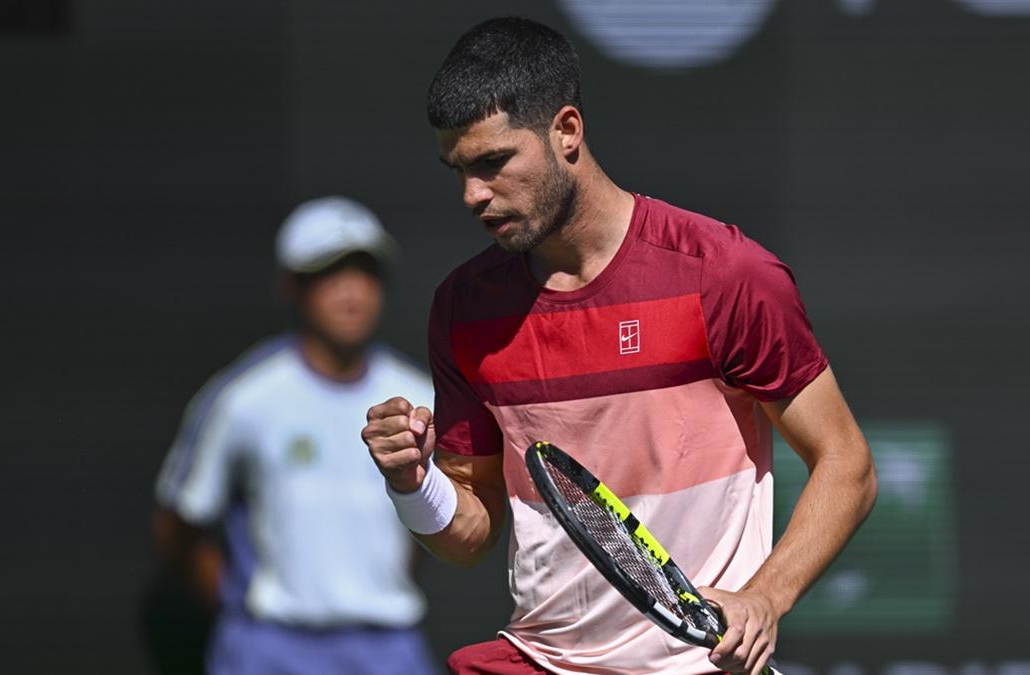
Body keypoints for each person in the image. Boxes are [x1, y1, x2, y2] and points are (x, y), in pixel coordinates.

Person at [361, 17, 878, 675]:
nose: (473, 194)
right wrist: (412, 482)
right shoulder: (464, 309)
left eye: (493, 163)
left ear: (566, 131)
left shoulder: (723, 275)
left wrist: (765, 598)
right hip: (540, 660)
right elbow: (470, 533)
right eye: (459, 171)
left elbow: (847, 463)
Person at [154, 196, 437, 675]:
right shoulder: (244, 396)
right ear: (291, 287)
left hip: (389, 648)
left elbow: (440, 517)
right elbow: (180, 520)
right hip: (270, 649)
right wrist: (240, 608)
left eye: (365, 272)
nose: (352, 291)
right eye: (329, 272)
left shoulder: (420, 395)